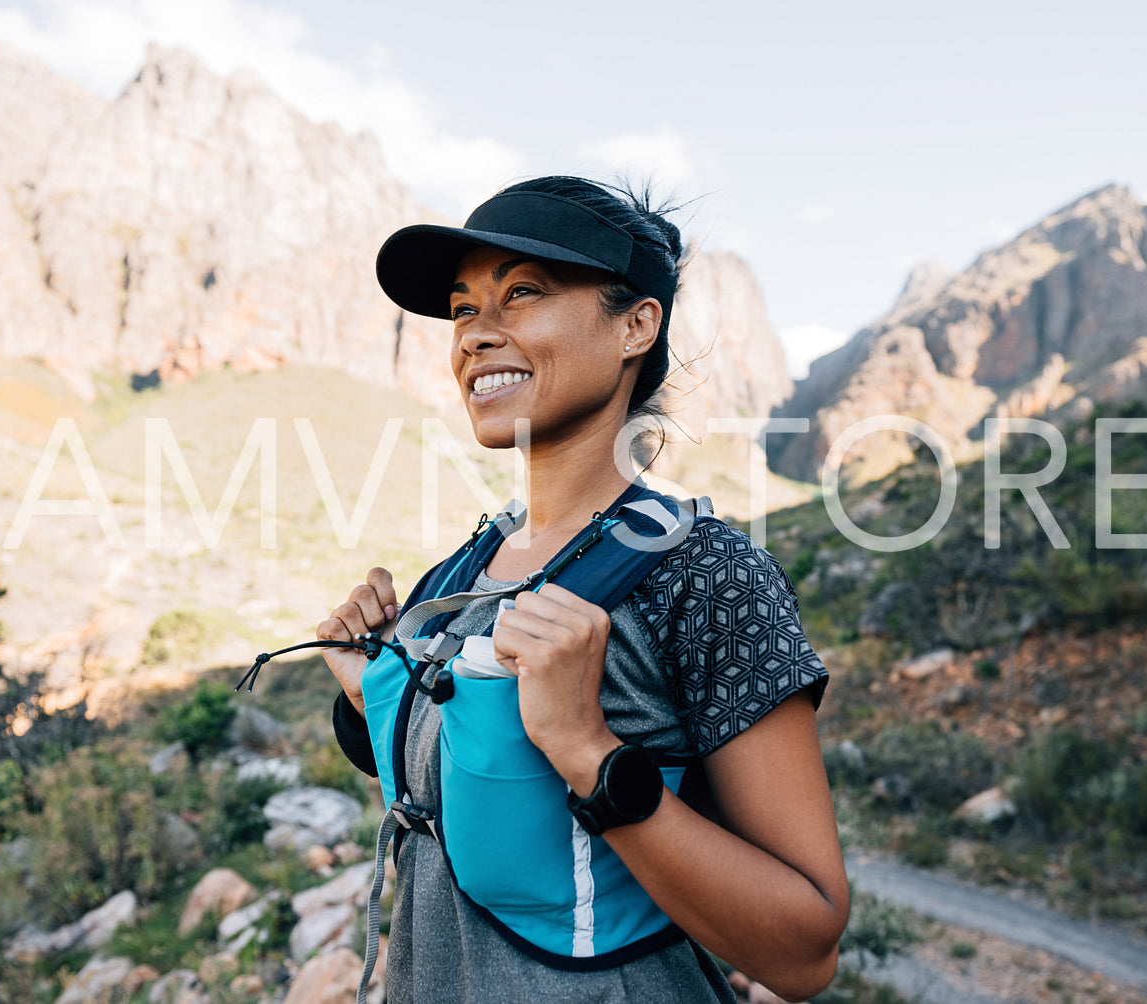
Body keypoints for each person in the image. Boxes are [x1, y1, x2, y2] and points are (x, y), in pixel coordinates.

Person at [319, 176, 848, 1003]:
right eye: (462, 310)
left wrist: (587, 748)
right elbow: (465, 800)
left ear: (637, 324)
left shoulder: (707, 577)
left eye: (521, 293)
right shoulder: (457, 575)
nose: (474, 338)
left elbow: (803, 952)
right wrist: (371, 697)